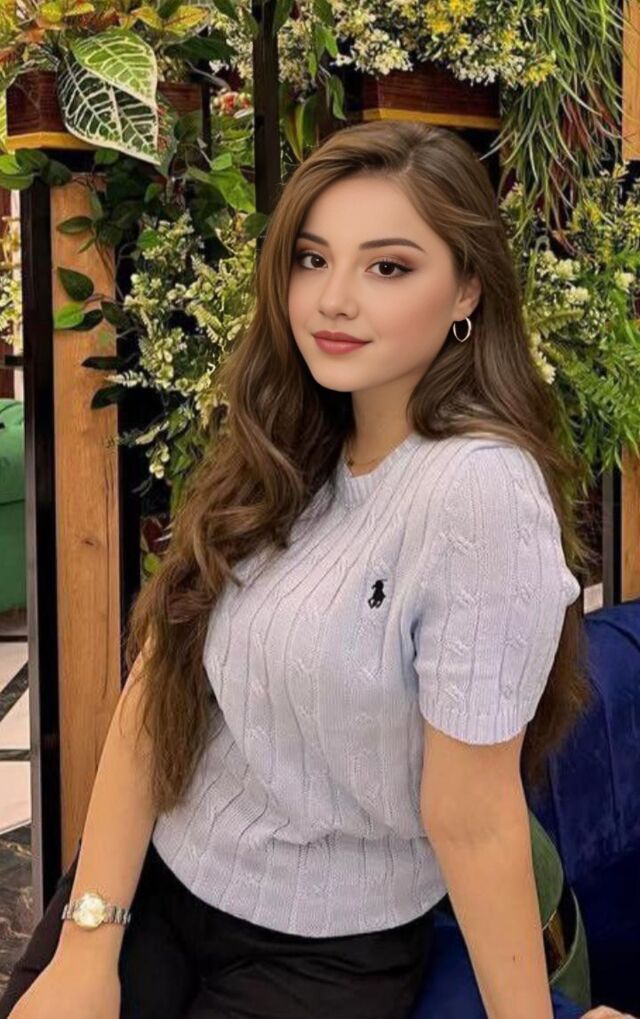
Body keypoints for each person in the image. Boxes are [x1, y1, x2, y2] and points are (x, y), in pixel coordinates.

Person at [1, 120, 633, 1019]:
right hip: (155, 883)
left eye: (388, 267)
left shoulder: (477, 493)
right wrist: (88, 939)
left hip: (323, 950)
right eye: (312, 259)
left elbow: (472, 811)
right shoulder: (290, 443)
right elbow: (161, 686)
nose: (333, 300)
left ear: (467, 289)